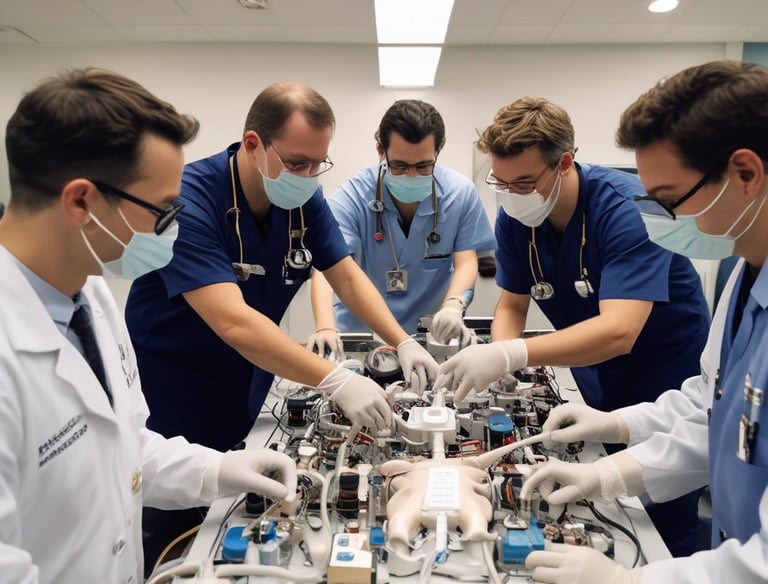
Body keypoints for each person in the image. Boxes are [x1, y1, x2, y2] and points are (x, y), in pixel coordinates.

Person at [124, 81, 439, 571]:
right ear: (254, 144)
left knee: (239, 518)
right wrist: (334, 379)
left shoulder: (300, 198)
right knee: (173, 536)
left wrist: (402, 342)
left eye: (319, 163)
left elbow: (348, 278)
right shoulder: (191, 200)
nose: (310, 175)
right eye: (297, 163)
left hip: (245, 385)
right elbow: (233, 322)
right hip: (174, 395)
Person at [0, 67, 297, 584]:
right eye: (162, 210)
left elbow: (126, 447)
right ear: (80, 201)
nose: (174, 228)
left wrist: (217, 470)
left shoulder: (88, 292)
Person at [518, 59, 768, 584]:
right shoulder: (745, 277)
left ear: (745, 174)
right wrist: (608, 460)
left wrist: (627, 581)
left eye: (669, 200)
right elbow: (712, 411)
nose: (656, 217)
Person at [434, 96, 711, 557]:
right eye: (500, 182)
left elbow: (620, 331)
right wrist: (507, 365)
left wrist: (513, 353)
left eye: (523, 181)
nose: (510, 193)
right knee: (593, 483)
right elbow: (512, 305)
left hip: (662, 370)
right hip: (591, 367)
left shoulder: (629, 210)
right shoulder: (516, 216)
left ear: (565, 162)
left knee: (660, 501)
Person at [306, 99, 496, 358]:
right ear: (380, 151)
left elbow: (466, 261)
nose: (412, 176)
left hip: (431, 339)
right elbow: (327, 268)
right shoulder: (350, 197)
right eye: (400, 166)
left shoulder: (459, 194)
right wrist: (325, 326)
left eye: (424, 166)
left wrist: (453, 306)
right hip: (362, 340)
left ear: (440, 148)